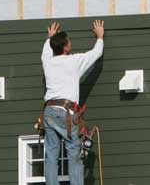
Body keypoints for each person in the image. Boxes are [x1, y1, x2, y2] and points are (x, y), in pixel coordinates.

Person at [41, 20, 105, 185]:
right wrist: (100, 36)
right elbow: (95, 54)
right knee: (73, 153)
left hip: (48, 111)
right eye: (69, 42)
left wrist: (50, 38)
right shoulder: (73, 61)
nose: (71, 43)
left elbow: (46, 52)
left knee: (51, 155)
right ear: (65, 47)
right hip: (66, 112)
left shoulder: (48, 61)